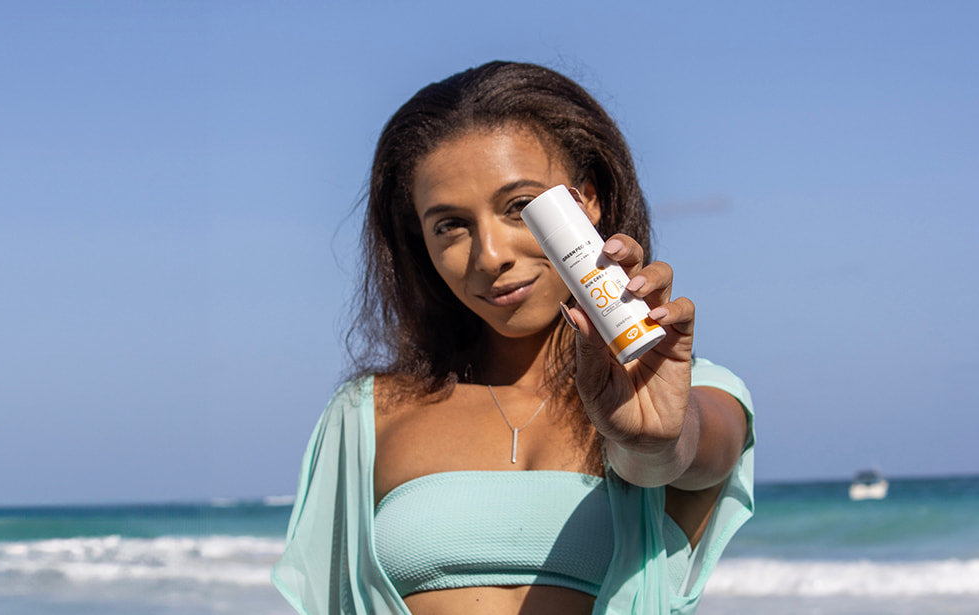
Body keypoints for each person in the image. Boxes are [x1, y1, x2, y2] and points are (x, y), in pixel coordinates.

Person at [271, 61, 756, 615]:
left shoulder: (687, 395)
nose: (491, 255)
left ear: (587, 202)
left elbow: (688, 450)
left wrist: (655, 442)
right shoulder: (369, 415)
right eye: (450, 225)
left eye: (520, 207)